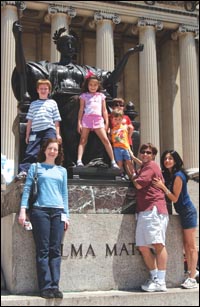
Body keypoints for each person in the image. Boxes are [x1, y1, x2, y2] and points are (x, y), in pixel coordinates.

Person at [12, 21, 144, 169]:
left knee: (97, 111)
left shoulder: (86, 70)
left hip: (84, 108)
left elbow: (112, 79)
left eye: (72, 44)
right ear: (59, 47)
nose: (69, 47)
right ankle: (69, 160)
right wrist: (18, 39)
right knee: (77, 104)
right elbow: (23, 70)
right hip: (60, 104)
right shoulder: (50, 67)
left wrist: (127, 55)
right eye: (66, 44)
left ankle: (96, 159)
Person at [18, 138, 69, 299]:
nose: (52, 151)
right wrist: (22, 210)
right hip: (40, 211)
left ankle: (55, 285)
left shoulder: (62, 170)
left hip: (58, 212)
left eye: (55, 149)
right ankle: (45, 286)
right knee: (43, 250)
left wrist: (66, 215)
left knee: (55, 251)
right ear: (44, 150)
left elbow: (64, 194)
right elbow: (27, 189)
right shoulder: (35, 167)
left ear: (58, 152)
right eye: (50, 148)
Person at [152, 150, 198, 289]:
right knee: (185, 245)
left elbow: (174, 198)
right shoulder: (171, 174)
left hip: (188, 212)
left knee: (190, 246)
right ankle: (191, 272)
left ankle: (192, 277)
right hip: (182, 213)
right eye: (165, 158)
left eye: (170, 158)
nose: (167, 161)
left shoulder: (178, 176)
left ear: (176, 160)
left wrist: (162, 186)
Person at [131, 143, 169, 292]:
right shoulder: (145, 167)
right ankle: (154, 277)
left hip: (153, 210)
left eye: (149, 152)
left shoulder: (151, 166)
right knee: (142, 246)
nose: (145, 154)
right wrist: (133, 159)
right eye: (143, 152)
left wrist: (130, 169)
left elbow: (139, 185)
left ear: (153, 156)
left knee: (158, 244)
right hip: (144, 210)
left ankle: (161, 281)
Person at [16, 79, 62, 179]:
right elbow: (30, 121)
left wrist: (57, 134)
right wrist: (28, 134)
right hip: (35, 131)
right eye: (41, 89)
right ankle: (24, 170)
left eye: (45, 89)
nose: (43, 90)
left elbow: (56, 120)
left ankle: (50, 169)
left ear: (49, 90)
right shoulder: (33, 104)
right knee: (31, 151)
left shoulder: (53, 103)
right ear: (37, 90)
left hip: (49, 130)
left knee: (50, 149)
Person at [77, 74, 119, 169]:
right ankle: (79, 160)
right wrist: (79, 122)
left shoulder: (101, 96)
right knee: (83, 140)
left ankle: (113, 161)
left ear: (98, 86)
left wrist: (106, 123)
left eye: (95, 85)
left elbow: (104, 110)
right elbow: (81, 109)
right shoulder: (84, 96)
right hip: (87, 119)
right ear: (87, 85)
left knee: (105, 140)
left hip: (98, 120)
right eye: (90, 85)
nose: (92, 87)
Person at [109, 108, 136, 180]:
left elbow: (131, 128)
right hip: (117, 147)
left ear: (122, 119)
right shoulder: (112, 129)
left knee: (129, 161)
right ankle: (120, 175)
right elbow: (110, 137)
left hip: (125, 147)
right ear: (112, 120)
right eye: (115, 119)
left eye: (119, 119)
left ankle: (133, 173)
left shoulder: (124, 127)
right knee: (119, 162)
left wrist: (128, 137)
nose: (117, 121)